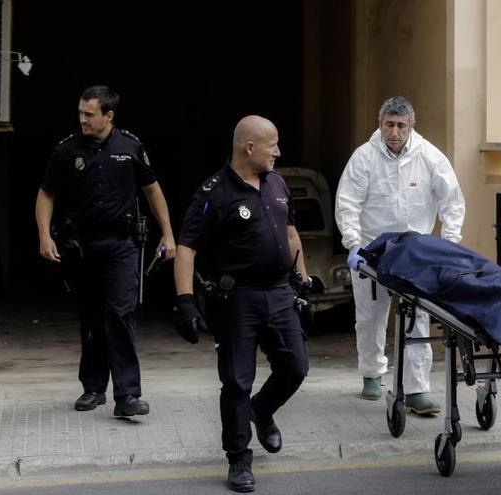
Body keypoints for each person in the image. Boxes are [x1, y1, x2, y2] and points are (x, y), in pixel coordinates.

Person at [173, 115, 311, 493]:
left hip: (281, 292)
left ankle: (262, 410)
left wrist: (303, 280)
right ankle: (238, 459)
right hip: (237, 298)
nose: (278, 152)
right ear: (249, 148)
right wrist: (185, 300)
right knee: (236, 381)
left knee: (295, 367)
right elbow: (187, 247)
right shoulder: (213, 192)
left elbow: (291, 233)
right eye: (272, 145)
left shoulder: (278, 183)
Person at [35, 85, 176, 418]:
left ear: (108, 116)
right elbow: (46, 194)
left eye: (89, 114)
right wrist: (44, 235)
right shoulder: (67, 150)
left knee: (120, 313)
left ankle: (127, 395)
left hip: (123, 244)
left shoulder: (130, 147)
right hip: (82, 245)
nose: (82, 119)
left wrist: (168, 234)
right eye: (80, 113)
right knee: (92, 317)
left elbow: (153, 191)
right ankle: (94, 387)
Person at [334, 96, 466, 414]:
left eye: (400, 125)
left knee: (417, 317)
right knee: (370, 317)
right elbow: (347, 202)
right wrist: (353, 245)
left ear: (411, 126)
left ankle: (417, 388)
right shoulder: (364, 158)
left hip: (414, 253)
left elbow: (453, 203)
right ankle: (372, 373)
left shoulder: (430, 157)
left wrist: (448, 244)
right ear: (380, 124)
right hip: (371, 251)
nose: (394, 132)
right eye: (388, 125)